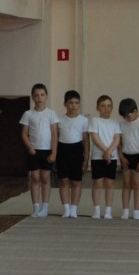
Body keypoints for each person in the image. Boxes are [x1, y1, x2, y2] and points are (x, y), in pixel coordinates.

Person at [19, 83, 59, 217]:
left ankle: (45, 207)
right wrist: (29, 147)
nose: (39, 98)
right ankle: (35, 207)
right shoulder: (28, 114)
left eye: (42, 95)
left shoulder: (51, 114)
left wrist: (54, 152)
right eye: (36, 95)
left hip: (47, 150)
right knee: (35, 177)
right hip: (34, 150)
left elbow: (54, 134)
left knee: (45, 178)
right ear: (32, 97)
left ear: (46, 96)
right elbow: (24, 134)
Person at [56, 90, 89, 218]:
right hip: (62, 150)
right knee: (64, 181)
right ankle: (66, 208)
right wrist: (54, 155)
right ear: (65, 104)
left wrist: (86, 158)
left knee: (76, 181)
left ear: (79, 104)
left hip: (77, 151)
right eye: (70, 102)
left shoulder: (84, 120)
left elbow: (86, 140)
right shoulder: (59, 120)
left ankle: (74, 208)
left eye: (76, 103)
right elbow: (55, 138)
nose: (73, 106)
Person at [88, 95, 121, 219]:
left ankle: (108, 210)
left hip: (112, 157)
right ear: (97, 108)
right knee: (98, 182)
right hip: (98, 157)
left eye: (108, 106)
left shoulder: (115, 122)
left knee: (109, 183)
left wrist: (109, 152)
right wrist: (105, 151)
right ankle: (96, 210)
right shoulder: (95, 121)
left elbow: (117, 139)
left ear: (112, 108)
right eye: (103, 106)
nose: (106, 108)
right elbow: (95, 137)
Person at [118, 98, 139, 220]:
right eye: (124, 117)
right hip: (126, 156)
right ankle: (125, 210)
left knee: (137, 184)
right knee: (126, 184)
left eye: (128, 116)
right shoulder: (122, 124)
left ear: (135, 111)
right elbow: (119, 143)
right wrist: (121, 157)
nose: (126, 118)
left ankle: (136, 211)